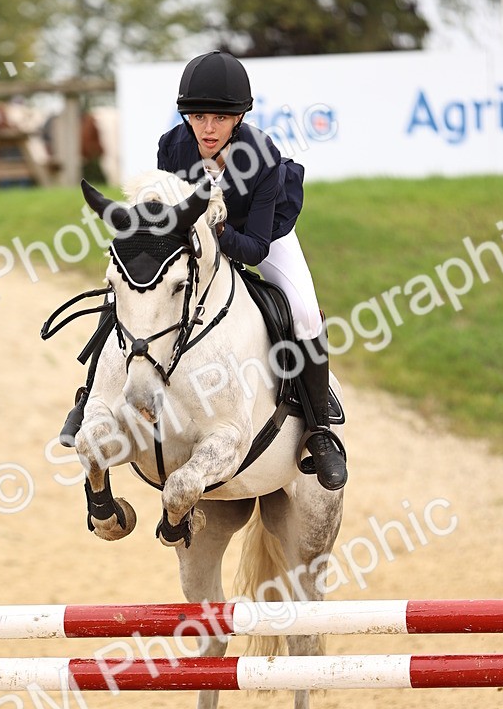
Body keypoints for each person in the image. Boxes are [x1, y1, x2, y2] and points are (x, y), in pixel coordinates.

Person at [60, 49, 346, 492]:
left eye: (218, 118)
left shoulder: (262, 156)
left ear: (238, 118)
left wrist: (213, 230)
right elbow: (160, 218)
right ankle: (89, 398)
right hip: (195, 238)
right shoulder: (171, 146)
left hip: (259, 234)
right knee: (132, 286)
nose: (207, 129)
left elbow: (253, 248)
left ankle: (319, 428)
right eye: (197, 117)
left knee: (305, 312)